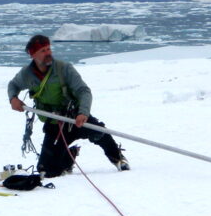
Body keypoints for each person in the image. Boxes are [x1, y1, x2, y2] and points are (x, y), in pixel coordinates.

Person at [8, 34, 130, 178]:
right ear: (33, 54)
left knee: (99, 133)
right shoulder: (26, 74)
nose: (48, 53)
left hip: (76, 119)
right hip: (54, 124)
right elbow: (13, 85)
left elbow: (84, 91)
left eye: (48, 49)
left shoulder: (63, 69)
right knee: (47, 171)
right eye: (43, 51)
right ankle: (69, 156)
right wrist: (13, 98)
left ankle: (117, 158)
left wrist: (83, 113)